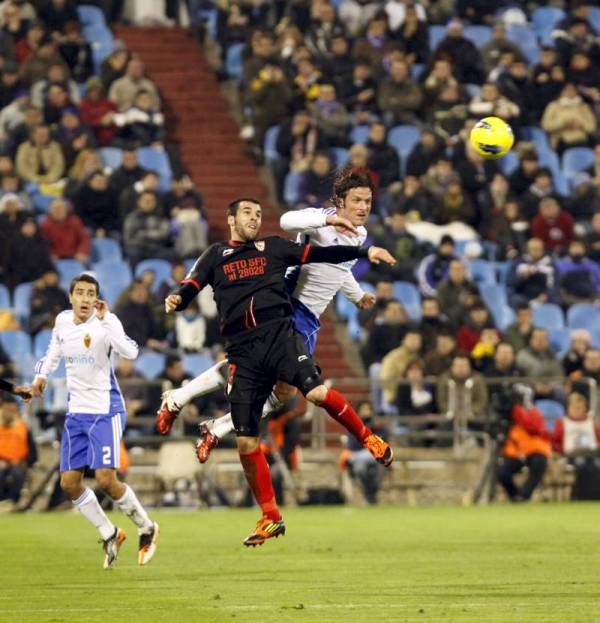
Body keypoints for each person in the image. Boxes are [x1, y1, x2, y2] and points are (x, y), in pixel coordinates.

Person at [157, 190, 395, 546]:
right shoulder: (216, 255)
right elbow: (192, 283)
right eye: (247, 212)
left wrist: (364, 256)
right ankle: (270, 515)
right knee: (247, 441)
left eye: (257, 212)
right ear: (232, 219)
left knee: (312, 392)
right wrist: (178, 297)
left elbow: (324, 257)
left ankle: (368, 438)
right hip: (244, 352)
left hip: (282, 334)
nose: (254, 217)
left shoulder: (274, 248)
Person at [28, 274, 159, 569]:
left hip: (105, 410)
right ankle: (110, 533)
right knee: (69, 483)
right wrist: (40, 376)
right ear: (71, 297)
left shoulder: (104, 323)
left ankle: (147, 527)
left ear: (97, 298)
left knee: (105, 479)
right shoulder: (62, 322)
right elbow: (53, 353)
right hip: (76, 413)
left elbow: (131, 352)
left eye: (91, 294)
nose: (86, 298)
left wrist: (109, 319)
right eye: (81, 293)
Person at [497, 384, 551, 502]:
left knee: (539, 464)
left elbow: (533, 427)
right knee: (502, 473)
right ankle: (516, 496)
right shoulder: (508, 417)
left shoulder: (534, 412)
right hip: (516, 452)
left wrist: (516, 410)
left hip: (535, 450)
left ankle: (524, 495)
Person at [0, 395, 37, 511]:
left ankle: (11, 503)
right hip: (1, 463)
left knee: (17, 474)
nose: (9, 413)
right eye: (7, 410)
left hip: (19, 464)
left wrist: (25, 462)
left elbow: (33, 452)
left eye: (13, 410)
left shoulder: (23, 427)